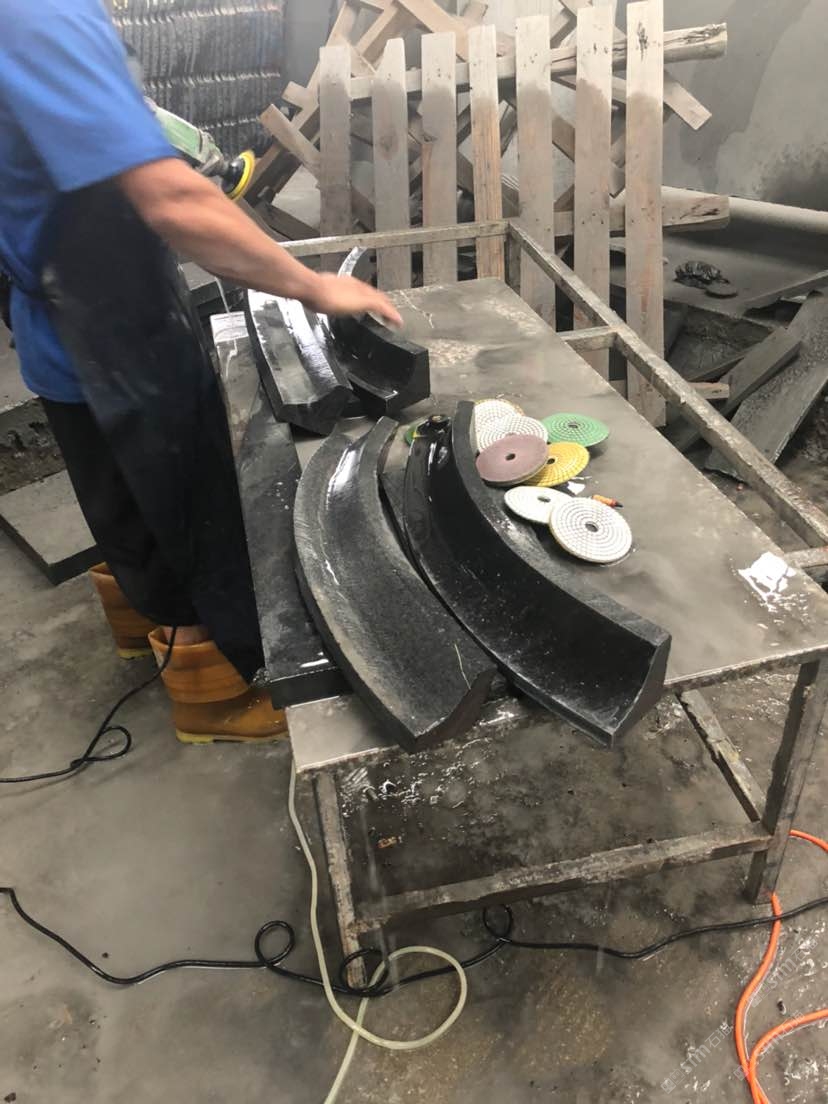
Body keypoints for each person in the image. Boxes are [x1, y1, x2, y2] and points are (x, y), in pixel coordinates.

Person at [0, 0, 402, 744]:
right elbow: (173, 199)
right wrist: (313, 287)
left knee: (119, 493)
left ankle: (136, 621)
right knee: (191, 510)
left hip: (53, 316)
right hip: (114, 326)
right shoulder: (38, 13)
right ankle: (213, 692)